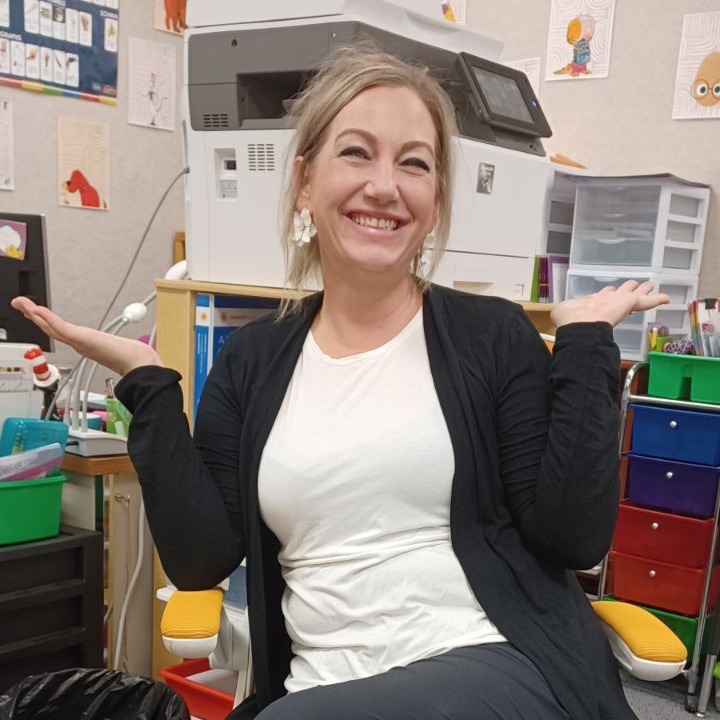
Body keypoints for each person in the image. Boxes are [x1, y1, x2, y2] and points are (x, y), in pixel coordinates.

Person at [13, 46, 670, 720]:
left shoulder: (492, 337)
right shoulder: (253, 362)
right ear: (303, 181)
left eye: (413, 163)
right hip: (319, 692)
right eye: (357, 152)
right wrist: (148, 383)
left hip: (500, 664)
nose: (385, 185)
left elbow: (573, 537)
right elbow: (201, 559)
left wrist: (587, 343)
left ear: (436, 199)